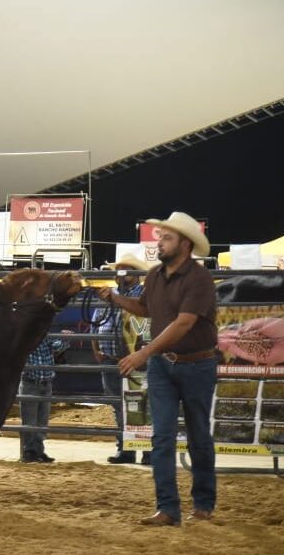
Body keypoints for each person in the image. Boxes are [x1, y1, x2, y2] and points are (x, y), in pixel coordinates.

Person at [100, 211, 218, 527]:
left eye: (166, 237)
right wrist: (114, 298)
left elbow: (184, 323)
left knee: (198, 436)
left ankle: (203, 501)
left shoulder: (200, 279)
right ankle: (168, 508)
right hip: (164, 365)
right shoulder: (154, 276)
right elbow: (145, 308)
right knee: (162, 437)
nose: (159, 242)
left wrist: (144, 353)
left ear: (185, 243)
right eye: (160, 236)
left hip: (195, 364)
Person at [93, 256, 151, 465]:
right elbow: (96, 322)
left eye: (126, 270)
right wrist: (96, 347)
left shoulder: (144, 295)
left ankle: (146, 451)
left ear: (135, 273)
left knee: (140, 404)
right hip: (111, 359)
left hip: (136, 359)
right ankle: (124, 450)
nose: (121, 274)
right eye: (119, 270)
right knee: (118, 406)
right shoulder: (110, 294)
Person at [19, 332, 69, 463]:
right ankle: (29, 451)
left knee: (42, 420)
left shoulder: (45, 335)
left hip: (45, 383)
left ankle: (38, 450)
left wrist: (65, 339)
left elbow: (57, 347)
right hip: (30, 382)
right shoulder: (25, 335)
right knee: (30, 420)